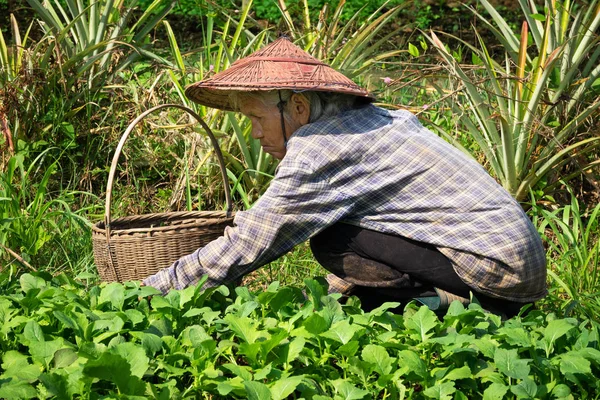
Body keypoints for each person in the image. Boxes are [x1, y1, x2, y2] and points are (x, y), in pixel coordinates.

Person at [142, 37, 547, 317]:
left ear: (297, 107)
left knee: (331, 237)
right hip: (513, 264)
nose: (254, 133)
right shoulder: (369, 123)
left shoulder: (321, 148)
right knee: (338, 228)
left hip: (496, 273)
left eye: (255, 117)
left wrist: (149, 292)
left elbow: (253, 241)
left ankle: (445, 302)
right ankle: (430, 297)